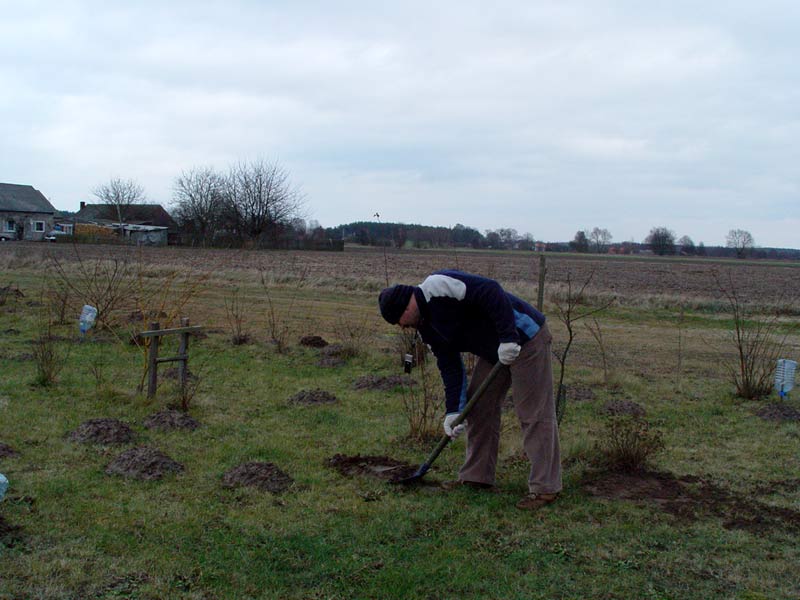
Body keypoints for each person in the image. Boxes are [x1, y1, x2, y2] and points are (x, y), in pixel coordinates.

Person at [378, 270, 562, 510]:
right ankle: (477, 478)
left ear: (405, 309)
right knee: (478, 406)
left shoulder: (437, 286)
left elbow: (491, 291)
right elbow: (450, 367)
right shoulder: (426, 329)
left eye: (398, 322)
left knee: (533, 412)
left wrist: (508, 337)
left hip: (524, 338)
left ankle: (545, 488)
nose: (403, 327)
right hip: (495, 351)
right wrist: (454, 411)